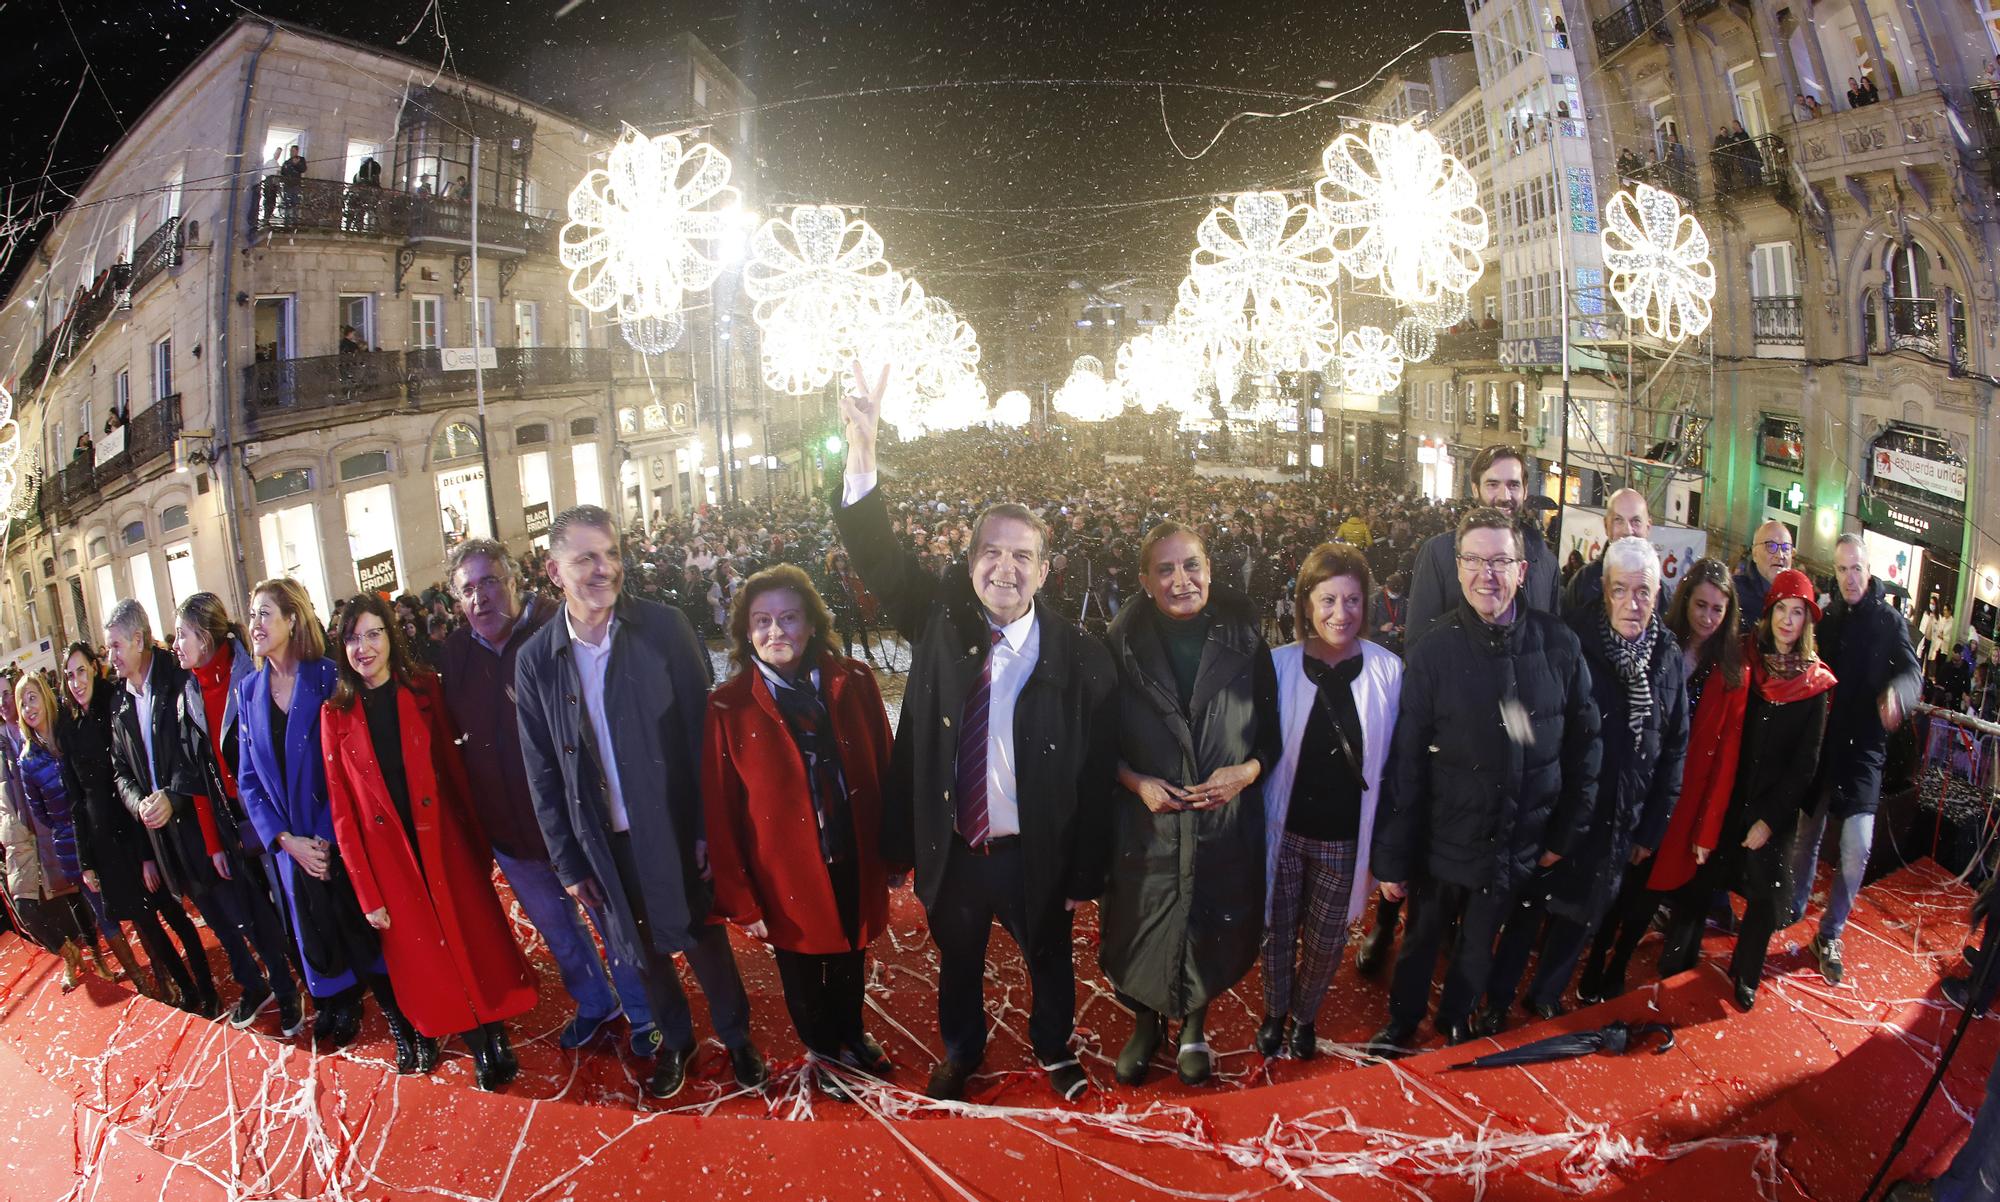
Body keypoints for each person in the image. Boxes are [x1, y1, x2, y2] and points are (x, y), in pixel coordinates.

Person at [832, 361, 1118, 1103]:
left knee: (1050, 963)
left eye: (1023, 555)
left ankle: (1055, 1048)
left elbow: (1093, 775)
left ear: (1046, 570)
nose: (1006, 567)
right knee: (957, 963)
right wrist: (862, 453)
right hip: (955, 849)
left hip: (1038, 854)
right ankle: (962, 1049)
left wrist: (1083, 873)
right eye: (991, 552)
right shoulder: (939, 620)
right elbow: (877, 557)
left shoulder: (1080, 657)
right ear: (968, 565)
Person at [515, 505, 766, 1102]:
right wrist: (570, 864)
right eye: (586, 559)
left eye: (611, 553)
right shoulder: (535, 660)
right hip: (603, 841)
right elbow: (541, 771)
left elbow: (701, 735)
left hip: (676, 828)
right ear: (555, 571)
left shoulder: (664, 626)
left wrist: (708, 828)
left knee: (705, 941)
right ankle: (676, 1042)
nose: (605, 569)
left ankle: (737, 1039)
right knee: (641, 952)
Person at [1369, 507, 1601, 1054]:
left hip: (1517, 839)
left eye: (1500, 561)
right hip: (1444, 838)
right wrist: (1394, 859)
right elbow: (1407, 764)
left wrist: (1563, 837)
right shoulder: (1432, 650)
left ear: (1522, 570)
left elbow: (1586, 747)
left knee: (1478, 945)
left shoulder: (1559, 645)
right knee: (1423, 939)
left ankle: (1456, 1018)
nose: (1486, 574)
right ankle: (1403, 1021)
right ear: (1458, 565)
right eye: (1473, 559)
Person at [438, 538, 658, 1057]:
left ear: (516, 581)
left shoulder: (555, 633)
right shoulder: (455, 655)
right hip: (510, 832)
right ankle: (594, 1002)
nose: (481, 597)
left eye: (490, 581)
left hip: (578, 825)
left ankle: (645, 1010)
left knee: (615, 923)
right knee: (559, 931)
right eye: (468, 589)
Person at [322, 594, 538, 1090]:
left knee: (475, 939)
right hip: (390, 860)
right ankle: (474, 1037)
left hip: (444, 842)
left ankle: (494, 1032)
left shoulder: (422, 689)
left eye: (374, 634)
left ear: (390, 639)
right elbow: (343, 813)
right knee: (429, 956)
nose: (364, 647)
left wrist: (477, 842)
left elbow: (454, 770)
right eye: (353, 638)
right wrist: (366, 892)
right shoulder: (334, 715)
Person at [702, 564, 896, 1100]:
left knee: (852, 955)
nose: (776, 631)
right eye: (762, 621)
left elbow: (884, 764)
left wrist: (895, 850)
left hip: (852, 852)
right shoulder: (727, 706)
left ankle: (852, 1031)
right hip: (783, 874)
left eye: (789, 617)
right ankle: (825, 1049)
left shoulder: (852, 682)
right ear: (745, 631)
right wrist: (741, 900)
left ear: (812, 622)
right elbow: (719, 815)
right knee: (805, 977)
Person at [1479, 537, 1688, 1030]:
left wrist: (1651, 827)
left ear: (1658, 595)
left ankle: (1546, 994)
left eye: (1644, 592)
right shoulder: (1570, 639)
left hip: (1620, 815)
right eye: (1621, 590)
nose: (1633, 603)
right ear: (1604, 590)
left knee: (1583, 915)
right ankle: (1496, 1000)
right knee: (1530, 908)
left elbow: (1674, 746)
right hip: (1561, 806)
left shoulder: (1667, 655)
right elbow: (1531, 718)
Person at [1100, 521, 1278, 1087]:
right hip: (1145, 824)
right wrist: (1135, 782)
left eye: (1192, 566)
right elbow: (1094, 743)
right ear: (1145, 580)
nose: (1182, 580)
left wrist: (1244, 774)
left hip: (1220, 821)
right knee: (1139, 923)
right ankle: (1146, 1023)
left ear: (1209, 569)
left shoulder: (1247, 642)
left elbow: (1271, 738)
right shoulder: (1116, 644)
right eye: (1166, 569)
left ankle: (1194, 1027)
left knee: (1209, 919)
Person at [104, 600, 290, 1022]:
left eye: (115, 645)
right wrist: (141, 805)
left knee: (250, 913)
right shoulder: (119, 703)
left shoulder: (177, 680)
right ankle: (254, 985)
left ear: (137, 639)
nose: (110, 656)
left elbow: (199, 753)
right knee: (220, 925)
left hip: (202, 825)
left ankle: (285, 985)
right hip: (165, 839)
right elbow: (120, 770)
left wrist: (174, 796)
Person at [235, 579, 398, 1048]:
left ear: (291, 619)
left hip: (334, 836)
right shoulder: (248, 692)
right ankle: (336, 1000)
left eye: (266, 613)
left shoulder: (327, 677)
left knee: (348, 919)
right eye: (252, 615)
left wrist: (323, 838)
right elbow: (248, 779)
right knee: (310, 928)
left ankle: (377, 1000)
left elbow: (347, 767)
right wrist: (285, 840)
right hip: (290, 845)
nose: (256, 624)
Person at [1256, 543, 1402, 1063]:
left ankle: (1304, 1018)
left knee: (1325, 942)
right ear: (1305, 604)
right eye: (1328, 601)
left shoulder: (1388, 671)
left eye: (1353, 600)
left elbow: (1394, 764)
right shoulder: (1277, 666)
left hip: (1344, 837)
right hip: (1285, 829)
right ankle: (1275, 1012)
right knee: (1275, 934)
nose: (1341, 614)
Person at [1664, 569, 1834, 1011]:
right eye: (1781, 609)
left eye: (1797, 613)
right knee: (1700, 880)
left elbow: (1805, 765)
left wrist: (1770, 820)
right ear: (1769, 612)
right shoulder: (1745, 658)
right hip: (1729, 794)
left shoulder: (1815, 683)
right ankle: (1678, 958)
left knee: (1766, 897)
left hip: (1771, 812)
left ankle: (1747, 973)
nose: (1787, 620)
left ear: (1806, 623)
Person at [1580, 558, 1749, 998]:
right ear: (1685, 600)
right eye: (1701, 605)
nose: (1708, 617)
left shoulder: (1731, 673)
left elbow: (1726, 758)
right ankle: (1595, 960)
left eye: (1718, 609)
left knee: (1646, 896)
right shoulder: (1659, 645)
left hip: (1682, 799)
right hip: (1639, 786)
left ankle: (1617, 963)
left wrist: (1707, 826)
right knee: (1620, 887)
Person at [170, 593, 307, 1034]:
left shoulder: (250, 676)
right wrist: (213, 843)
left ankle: (322, 979)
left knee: (291, 898)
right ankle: (285, 990)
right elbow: (200, 781)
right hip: (229, 820)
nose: (175, 644)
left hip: (270, 810)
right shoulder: (188, 694)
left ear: (205, 637)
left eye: (181, 635)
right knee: (256, 910)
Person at [1790, 533, 1920, 985]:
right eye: (1842, 569)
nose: (1849, 577)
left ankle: (1830, 931)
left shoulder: (1889, 622)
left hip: (1864, 752)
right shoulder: (1826, 620)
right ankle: (1793, 906)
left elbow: (1912, 673)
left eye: (1856, 569)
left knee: (1856, 848)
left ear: (1869, 570)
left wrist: (1897, 696)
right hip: (1824, 746)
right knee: (1807, 836)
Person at [59, 643, 203, 1005]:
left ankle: (206, 987)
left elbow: (131, 776)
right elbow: (76, 801)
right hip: (105, 844)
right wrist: (86, 861)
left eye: (80, 671)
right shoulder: (69, 727)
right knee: (148, 928)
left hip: (137, 828)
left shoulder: (116, 703)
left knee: (174, 914)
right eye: (69, 675)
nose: (76, 682)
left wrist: (146, 854)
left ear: (94, 668)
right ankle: (186, 992)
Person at [15, 673, 145, 989]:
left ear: (45, 696)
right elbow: (40, 814)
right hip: (70, 845)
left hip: (100, 828)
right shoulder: (27, 760)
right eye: (22, 703)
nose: (28, 707)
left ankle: (161, 968)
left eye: (32, 697)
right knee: (103, 915)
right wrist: (67, 827)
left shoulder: (70, 730)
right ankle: (142, 981)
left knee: (133, 899)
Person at [2, 677, 110, 990]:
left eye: (8, 694)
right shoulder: (9, 744)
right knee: (32, 908)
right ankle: (73, 955)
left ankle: (100, 957)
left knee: (82, 897)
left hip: (58, 826)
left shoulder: (47, 732)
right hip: (22, 835)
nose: (4, 703)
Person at [1405, 446, 1560, 647]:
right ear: (1476, 488)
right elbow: (1419, 644)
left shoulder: (1546, 561)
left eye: (1513, 485)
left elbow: (1553, 641)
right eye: (1493, 484)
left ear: (1525, 490)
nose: (1505, 496)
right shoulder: (1438, 552)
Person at [1561, 488, 1652, 618]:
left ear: (1648, 527)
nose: (1628, 531)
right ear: (1606, 526)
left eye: (1636, 521)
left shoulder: (1658, 587)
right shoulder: (1584, 581)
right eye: (1618, 520)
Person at [1734, 520, 1793, 632]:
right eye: (1771, 546)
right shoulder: (1735, 593)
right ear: (1755, 554)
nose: (1780, 555)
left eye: (1786, 548)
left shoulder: (1798, 599)